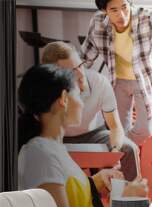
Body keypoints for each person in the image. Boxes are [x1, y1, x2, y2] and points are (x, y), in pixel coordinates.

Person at [18, 64, 147, 207]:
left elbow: (67, 191)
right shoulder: (40, 155)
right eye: (79, 95)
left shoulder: (51, 147)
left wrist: (97, 181)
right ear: (64, 98)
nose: (82, 103)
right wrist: (121, 205)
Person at [81, 0, 152, 146]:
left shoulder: (148, 18)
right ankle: (124, 156)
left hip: (145, 79)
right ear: (105, 11)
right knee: (117, 127)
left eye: (124, 7)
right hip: (118, 80)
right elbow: (85, 57)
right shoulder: (98, 22)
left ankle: (124, 148)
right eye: (114, 10)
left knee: (145, 130)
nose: (121, 15)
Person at [42, 41, 139, 181]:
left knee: (129, 148)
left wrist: (115, 151)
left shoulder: (99, 82)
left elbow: (115, 126)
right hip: (58, 138)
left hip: (94, 134)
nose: (80, 73)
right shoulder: (47, 91)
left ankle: (131, 199)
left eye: (80, 65)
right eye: (70, 71)